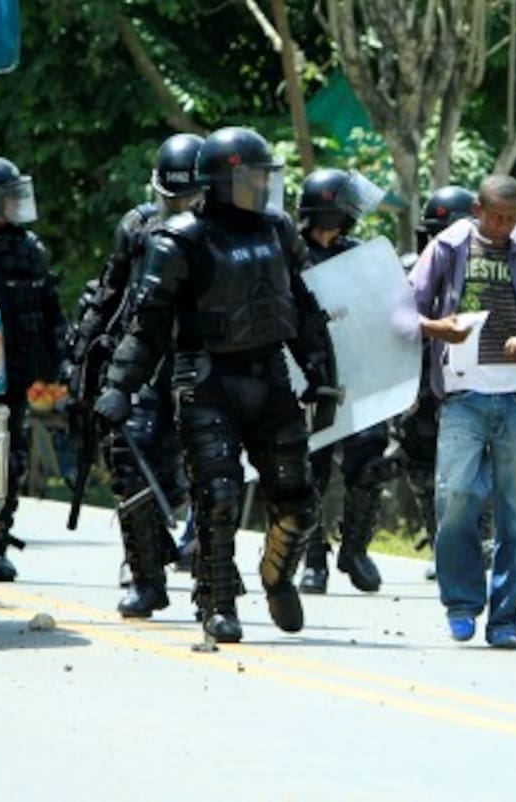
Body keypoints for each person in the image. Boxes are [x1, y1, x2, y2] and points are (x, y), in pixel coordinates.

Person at [94, 126, 335, 643]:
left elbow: (306, 311)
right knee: (218, 496)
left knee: (297, 499)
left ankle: (276, 576)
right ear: (223, 182)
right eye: (253, 176)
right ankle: (218, 605)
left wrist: (323, 378)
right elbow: (148, 325)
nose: (263, 185)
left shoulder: (278, 231)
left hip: (269, 376)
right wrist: (120, 385)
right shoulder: (179, 238)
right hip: (206, 378)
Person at [410, 174, 516, 648]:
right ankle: (461, 602)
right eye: (496, 217)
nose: (504, 227)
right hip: (463, 396)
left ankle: (506, 616)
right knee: (456, 499)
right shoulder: (447, 247)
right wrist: (440, 328)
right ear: (477, 212)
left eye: (513, 217)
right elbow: (405, 307)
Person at [66, 133, 200, 617]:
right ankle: (146, 575)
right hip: (141, 359)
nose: (182, 207)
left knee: (206, 467)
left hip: (200, 360)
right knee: (129, 462)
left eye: (191, 198)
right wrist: (81, 360)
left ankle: (210, 573)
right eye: (174, 198)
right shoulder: (138, 226)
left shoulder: (229, 230)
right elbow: (108, 292)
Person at [295, 166, 392, 595]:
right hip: (311, 378)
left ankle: (354, 548)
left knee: (369, 461)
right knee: (309, 471)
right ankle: (312, 559)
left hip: (358, 372)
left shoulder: (359, 254)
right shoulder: (290, 256)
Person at [0, 155, 69, 582]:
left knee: (9, 460)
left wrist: (65, 364)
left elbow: (50, 312)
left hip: (12, 377)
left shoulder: (27, 250)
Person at [398, 185, 475, 566]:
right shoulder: (411, 270)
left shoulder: (488, 269)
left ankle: (482, 545)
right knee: (424, 469)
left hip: (471, 382)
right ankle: (442, 547)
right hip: (423, 387)